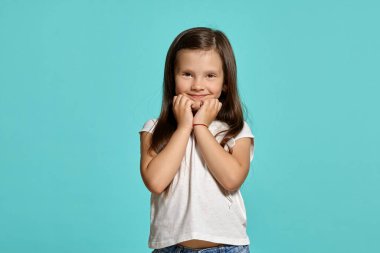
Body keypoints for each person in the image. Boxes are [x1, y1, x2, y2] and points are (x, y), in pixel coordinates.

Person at [139, 27, 255, 253]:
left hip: (226, 248)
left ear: (225, 83)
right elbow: (155, 181)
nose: (197, 85)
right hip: (170, 249)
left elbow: (231, 179)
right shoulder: (155, 129)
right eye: (187, 74)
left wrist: (200, 126)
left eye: (210, 75)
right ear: (172, 78)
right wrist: (184, 127)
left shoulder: (235, 130)